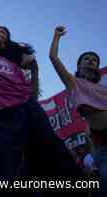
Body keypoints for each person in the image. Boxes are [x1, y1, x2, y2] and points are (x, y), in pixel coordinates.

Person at [0, 1, 83, 196]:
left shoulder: (12, 63)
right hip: (0, 117)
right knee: (3, 174)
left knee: (56, 156)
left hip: (28, 108)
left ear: (5, 43)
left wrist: (36, 68)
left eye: (3, 33)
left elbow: (33, 81)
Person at [49, 25, 107, 194]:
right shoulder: (73, 83)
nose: (91, 61)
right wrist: (56, 36)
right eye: (87, 58)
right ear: (79, 64)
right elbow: (53, 57)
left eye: (94, 60)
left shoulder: (103, 86)